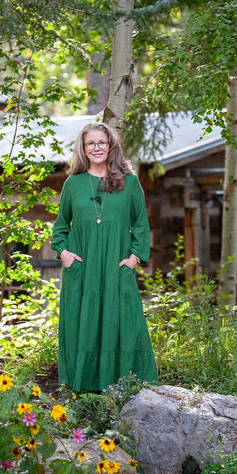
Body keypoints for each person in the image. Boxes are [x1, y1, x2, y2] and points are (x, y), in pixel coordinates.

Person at [51, 122, 158, 392]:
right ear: (84, 149)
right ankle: (83, 389)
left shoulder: (130, 183)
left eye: (102, 142)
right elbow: (61, 226)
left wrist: (134, 259)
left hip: (116, 265)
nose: (96, 147)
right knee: (83, 322)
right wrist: (63, 253)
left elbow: (141, 226)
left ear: (111, 146)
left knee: (121, 319)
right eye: (91, 143)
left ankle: (126, 386)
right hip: (82, 267)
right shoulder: (73, 184)